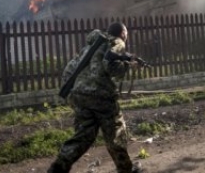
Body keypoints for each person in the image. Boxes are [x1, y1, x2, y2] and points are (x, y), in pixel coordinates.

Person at [47, 22, 143, 173]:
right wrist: (128, 66)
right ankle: (126, 169)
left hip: (79, 95)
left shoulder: (90, 46)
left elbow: (71, 68)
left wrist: (74, 94)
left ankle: (59, 166)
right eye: (126, 33)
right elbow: (110, 66)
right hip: (101, 96)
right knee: (116, 133)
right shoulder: (117, 42)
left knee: (84, 135)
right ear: (123, 33)